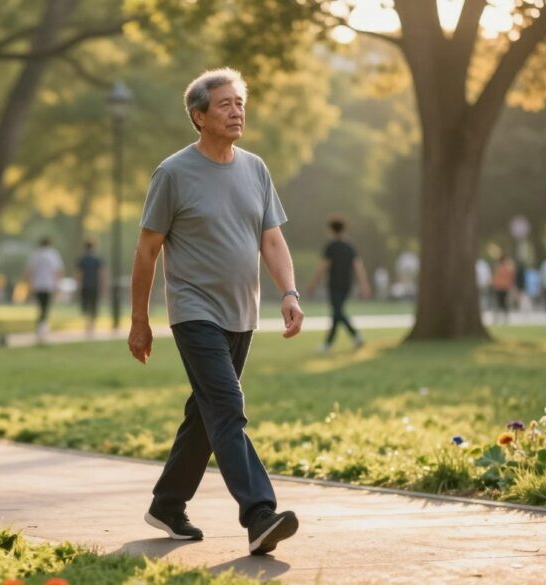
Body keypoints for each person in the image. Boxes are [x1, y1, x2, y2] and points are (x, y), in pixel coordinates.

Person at [129, 68, 304, 556]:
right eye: (225, 104)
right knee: (227, 405)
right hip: (193, 310)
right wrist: (139, 321)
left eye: (240, 103)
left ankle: (167, 503)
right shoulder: (173, 173)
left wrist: (289, 293)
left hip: (241, 312)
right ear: (198, 116)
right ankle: (260, 515)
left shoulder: (255, 168)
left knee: (206, 415)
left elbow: (272, 238)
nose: (236, 111)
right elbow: (147, 251)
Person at [304, 216, 371, 352]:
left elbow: (322, 267)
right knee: (337, 313)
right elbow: (359, 268)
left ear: (331, 230)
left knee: (337, 313)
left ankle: (348, 339)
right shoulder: (350, 247)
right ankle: (336, 343)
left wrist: (312, 284)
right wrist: (364, 286)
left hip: (334, 286)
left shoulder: (331, 247)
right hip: (347, 286)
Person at [23, 237, 63, 343]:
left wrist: (28, 284)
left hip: (37, 284)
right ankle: (43, 325)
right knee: (46, 306)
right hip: (48, 284)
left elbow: (29, 271)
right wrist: (57, 285)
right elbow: (57, 271)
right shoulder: (53, 255)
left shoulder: (35, 255)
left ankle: (40, 325)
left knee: (40, 306)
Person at [76, 240, 103, 336]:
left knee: (86, 305)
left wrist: (78, 285)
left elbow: (79, 274)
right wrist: (102, 285)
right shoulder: (97, 259)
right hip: (94, 285)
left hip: (85, 285)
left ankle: (87, 324)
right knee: (94, 305)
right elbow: (101, 273)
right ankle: (92, 325)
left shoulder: (82, 259)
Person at [492, 254, 516, 324]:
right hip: (504, 286)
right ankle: (503, 317)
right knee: (503, 302)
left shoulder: (498, 267)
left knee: (499, 302)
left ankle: (499, 318)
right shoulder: (507, 267)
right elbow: (512, 275)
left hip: (500, 286)